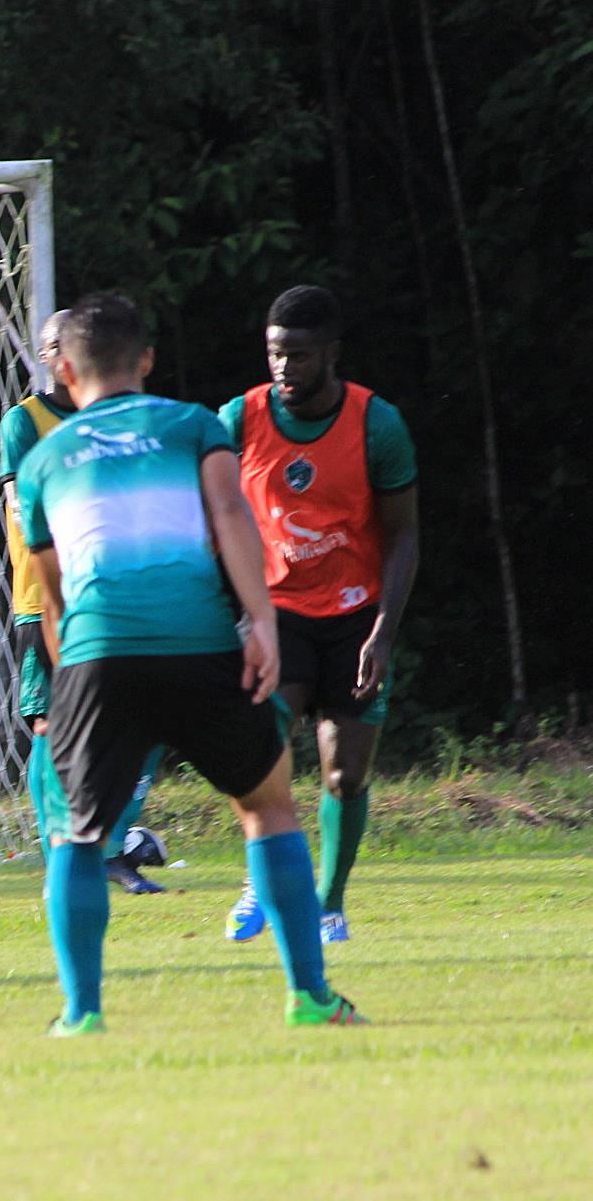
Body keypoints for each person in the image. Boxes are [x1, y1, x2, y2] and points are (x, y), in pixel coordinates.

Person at [16, 293, 364, 1034]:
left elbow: (52, 594)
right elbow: (231, 516)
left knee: (75, 833)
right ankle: (308, 997)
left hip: (95, 653)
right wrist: (260, 621)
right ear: (144, 360)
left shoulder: (42, 457)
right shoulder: (190, 425)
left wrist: (71, 675)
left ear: (66, 371)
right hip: (201, 643)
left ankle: (80, 1014)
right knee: (267, 806)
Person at [219, 286, 420, 946]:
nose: (283, 368)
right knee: (260, 756)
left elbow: (403, 536)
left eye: (298, 355)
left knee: (345, 770)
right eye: (275, 353)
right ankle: (260, 879)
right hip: (275, 613)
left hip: (352, 616)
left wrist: (382, 633)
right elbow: (209, 515)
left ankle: (328, 902)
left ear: (330, 353)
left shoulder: (375, 424)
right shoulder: (238, 420)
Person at [0, 313, 165, 894]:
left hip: (119, 595)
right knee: (51, 725)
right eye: (54, 346)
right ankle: (62, 859)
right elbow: (22, 507)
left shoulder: (115, 418)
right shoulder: (24, 422)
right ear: (48, 357)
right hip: (44, 598)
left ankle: (114, 845)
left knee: (143, 720)